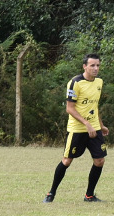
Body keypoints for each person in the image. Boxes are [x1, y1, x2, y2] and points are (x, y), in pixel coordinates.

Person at [44, 53, 109, 203]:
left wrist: (100, 124)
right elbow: (70, 108)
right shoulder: (75, 83)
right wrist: (86, 124)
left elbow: (95, 106)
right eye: (92, 65)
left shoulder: (99, 82)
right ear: (84, 66)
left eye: (98, 65)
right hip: (77, 130)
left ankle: (89, 195)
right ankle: (51, 193)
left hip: (94, 128)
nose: (95, 68)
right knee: (67, 161)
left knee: (99, 160)